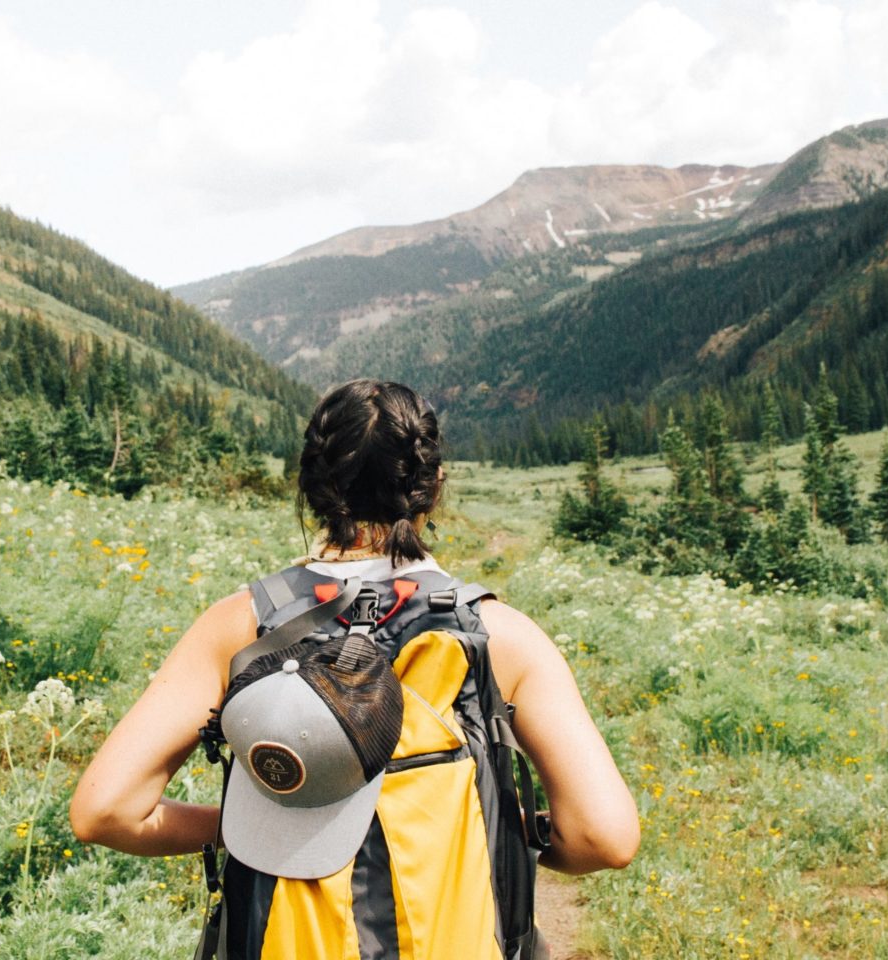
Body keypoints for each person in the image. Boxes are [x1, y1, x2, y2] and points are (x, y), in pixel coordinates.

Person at [71, 378, 638, 957]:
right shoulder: (499, 635)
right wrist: (509, 831)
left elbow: (106, 811)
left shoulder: (242, 625)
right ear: (433, 487)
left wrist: (242, 823)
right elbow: (605, 837)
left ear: (312, 487)